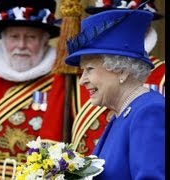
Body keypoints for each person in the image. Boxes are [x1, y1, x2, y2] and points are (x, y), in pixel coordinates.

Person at [0, 0, 69, 178]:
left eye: (31, 37)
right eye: (14, 37)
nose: (21, 45)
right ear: (3, 40)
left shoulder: (64, 91)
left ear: (45, 41)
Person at [64, 9, 165, 179]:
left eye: (89, 69)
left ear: (122, 70)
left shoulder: (149, 112)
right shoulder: (124, 113)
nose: (82, 81)